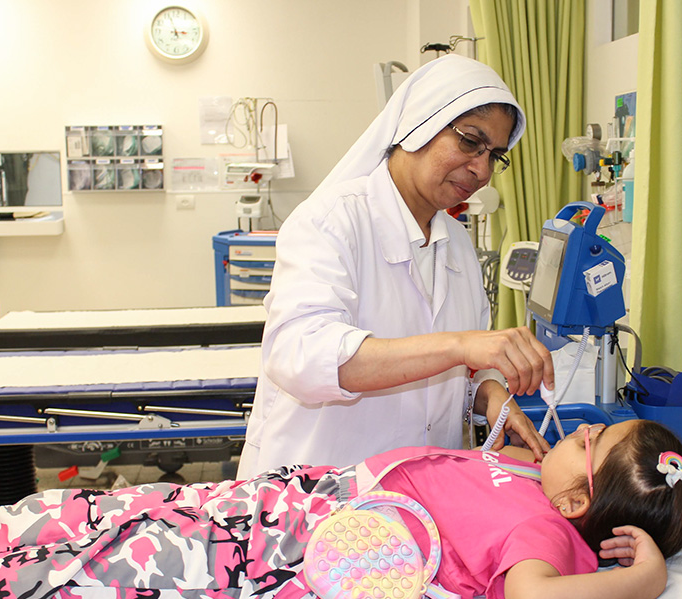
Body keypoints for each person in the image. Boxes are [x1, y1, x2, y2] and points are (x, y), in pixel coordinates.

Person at [0, 419, 682, 599]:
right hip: (285, 498)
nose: (573, 429)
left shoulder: (540, 531)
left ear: (576, 503)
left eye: (587, 440)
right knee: (127, 510)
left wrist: (644, 582)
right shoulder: (533, 480)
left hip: (281, 547)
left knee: (125, 561)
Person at [238, 54, 555, 477]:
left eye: (495, 155)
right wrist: (459, 345)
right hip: (314, 495)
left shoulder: (456, 243)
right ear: (419, 124)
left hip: (415, 502)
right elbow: (302, 355)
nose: (482, 169)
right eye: (469, 141)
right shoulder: (331, 220)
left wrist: (490, 392)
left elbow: (459, 373)